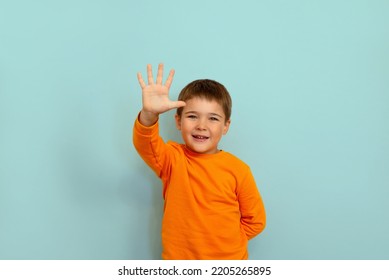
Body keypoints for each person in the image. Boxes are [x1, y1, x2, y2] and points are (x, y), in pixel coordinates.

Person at [133, 63, 266, 260]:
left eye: (213, 118)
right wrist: (149, 114)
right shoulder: (172, 159)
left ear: (225, 126)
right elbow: (146, 145)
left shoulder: (239, 170)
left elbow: (255, 221)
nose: (201, 126)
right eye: (192, 116)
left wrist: (224, 242)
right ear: (178, 121)